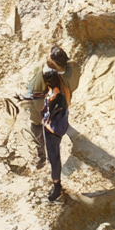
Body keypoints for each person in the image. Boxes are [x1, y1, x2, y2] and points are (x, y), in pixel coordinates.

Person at [25, 45, 72, 169]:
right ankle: (41, 156)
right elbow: (38, 102)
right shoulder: (42, 77)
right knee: (36, 126)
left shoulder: (62, 69)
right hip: (40, 103)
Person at [41, 68, 70, 202]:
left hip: (53, 134)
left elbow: (57, 129)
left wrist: (45, 124)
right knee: (53, 159)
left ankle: (57, 186)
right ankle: (56, 182)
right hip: (54, 128)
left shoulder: (58, 103)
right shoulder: (60, 92)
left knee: (55, 160)